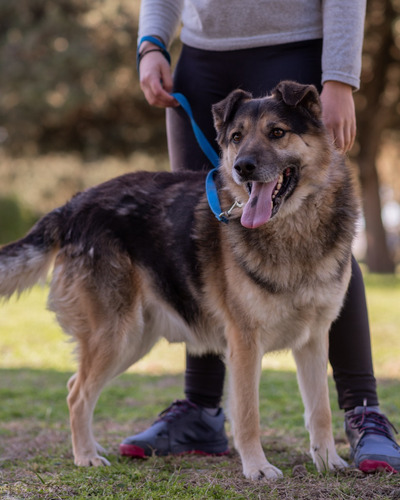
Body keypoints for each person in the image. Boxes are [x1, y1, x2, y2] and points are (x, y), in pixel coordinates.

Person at [120, 0, 400, 474]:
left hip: (293, 44)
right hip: (201, 56)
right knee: (200, 241)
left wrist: (339, 76)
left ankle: (362, 411)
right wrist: (151, 42)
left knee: (324, 233)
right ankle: (202, 411)